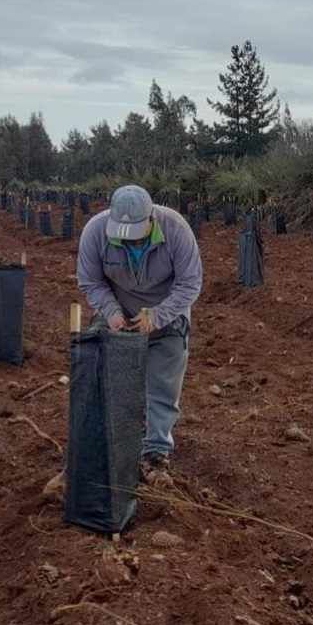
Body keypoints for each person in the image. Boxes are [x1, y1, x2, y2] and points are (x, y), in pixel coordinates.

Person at [76, 185, 203, 474]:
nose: (128, 241)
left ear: (151, 220)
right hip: (117, 312)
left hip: (166, 314)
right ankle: (108, 443)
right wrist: (111, 312)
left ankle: (156, 453)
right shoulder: (95, 232)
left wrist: (158, 316)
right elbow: (91, 281)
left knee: (162, 386)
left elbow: (190, 283)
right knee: (106, 379)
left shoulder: (176, 230)